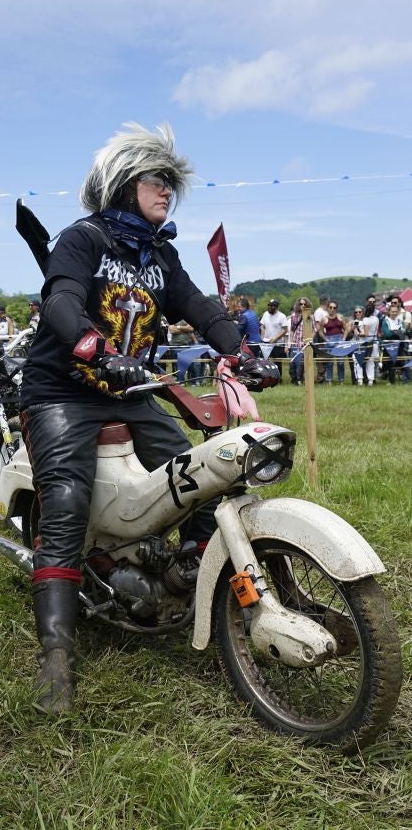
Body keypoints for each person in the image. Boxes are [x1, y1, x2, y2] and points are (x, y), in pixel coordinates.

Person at [19, 122, 278, 714]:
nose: (167, 192)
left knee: (196, 472)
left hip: (129, 388)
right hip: (62, 389)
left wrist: (238, 346)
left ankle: (187, 569)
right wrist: (91, 348)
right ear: (122, 183)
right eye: (157, 181)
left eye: (170, 184)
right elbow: (60, 299)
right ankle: (56, 654)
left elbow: (198, 307)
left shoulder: (160, 253)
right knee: (64, 502)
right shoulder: (81, 239)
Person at [287, 297, 313, 385]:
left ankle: (299, 380)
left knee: (300, 364)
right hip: (295, 343)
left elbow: (314, 330)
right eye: (301, 304)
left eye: (304, 304)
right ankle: (294, 380)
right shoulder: (294, 316)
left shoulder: (310, 317)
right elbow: (291, 331)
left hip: (304, 344)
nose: (303, 306)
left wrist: (308, 341)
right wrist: (289, 343)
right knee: (292, 364)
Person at [259, 298, 288, 374]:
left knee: (277, 362)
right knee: (264, 361)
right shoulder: (265, 314)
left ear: (276, 307)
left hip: (277, 343)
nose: (270, 307)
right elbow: (262, 326)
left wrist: (275, 338)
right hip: (266, 343)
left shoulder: (282, 316)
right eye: (269, 305)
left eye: (272, 306)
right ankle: (266, 376)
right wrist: (262, 337)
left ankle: (278, 378)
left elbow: (285, 330)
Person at [322, 300, 346, 384]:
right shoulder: (324, 319)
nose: (332, 309)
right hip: (329, 340)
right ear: (328, 308)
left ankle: (341, 380)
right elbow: (320, 331)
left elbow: (346, 328)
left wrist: (344, 338)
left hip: (339, 339)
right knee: (330, 362)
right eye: (330, 307)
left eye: (334, 308)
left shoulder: (340, 317)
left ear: (336, 309)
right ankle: (329, 380)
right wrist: (325, 340)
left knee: (340, 362)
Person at [312, 294, 330, 382]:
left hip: (325, 335)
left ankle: (323, 376)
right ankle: (320, 377)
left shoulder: (326, 312)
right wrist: (323, 337)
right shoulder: (319, 312)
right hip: (320, 336)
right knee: (320, 357)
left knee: (324, 357)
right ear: (325, 301)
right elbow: (317, 326)